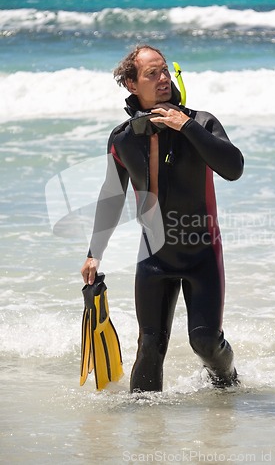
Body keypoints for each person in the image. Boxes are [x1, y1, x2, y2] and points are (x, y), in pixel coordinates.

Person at [81, 45, 244, 392]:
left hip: (202, 253)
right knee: (149, 348)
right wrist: (94, 252)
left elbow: (234, 168)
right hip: (154, 257)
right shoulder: (123, 139)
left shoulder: (201, 122)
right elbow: (112, 195)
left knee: (205, 342)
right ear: (131, 84)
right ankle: (145, 431)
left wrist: (186, 127)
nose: (163, 79)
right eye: (151, 74)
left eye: (165, 71)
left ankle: (229, 382)